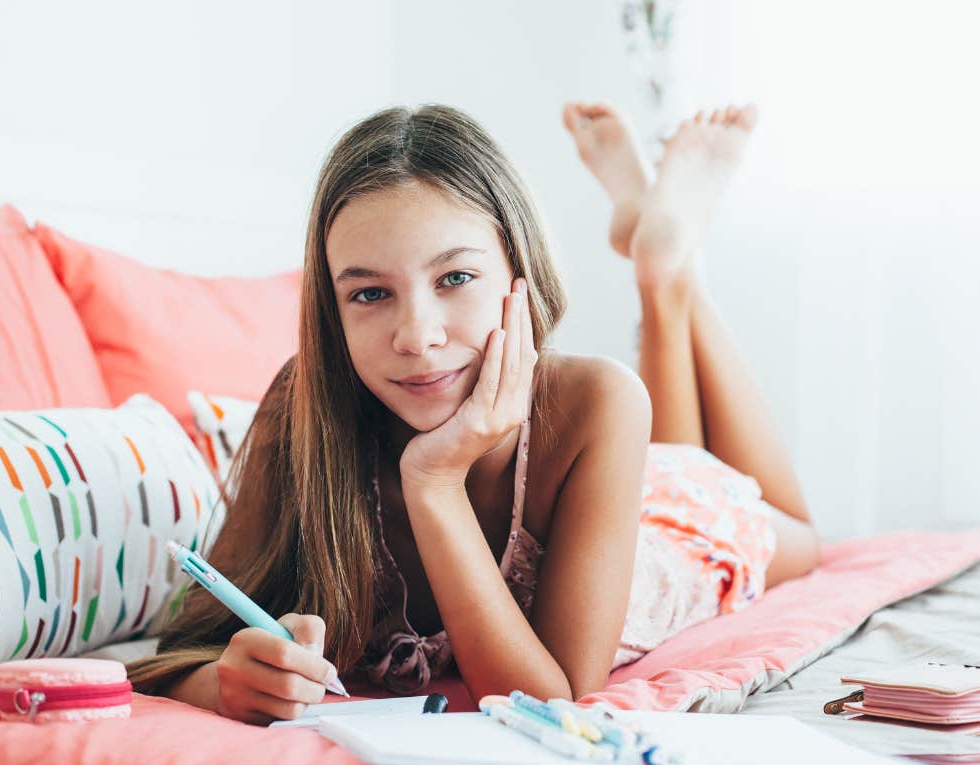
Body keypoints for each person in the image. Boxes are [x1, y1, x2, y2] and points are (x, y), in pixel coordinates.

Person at [126, 102, 819, 725]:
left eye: (454, 278)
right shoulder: (302, 409)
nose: (417, 336)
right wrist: (220, 680)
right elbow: (185, 644)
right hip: (619, 484)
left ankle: (667, 272)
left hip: (670, 531)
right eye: (370, 294)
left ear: (520, 270)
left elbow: (548, 698)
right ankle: (656, 254)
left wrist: (433, 482)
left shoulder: (600, 400)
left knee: (788, 530)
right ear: (329, 311)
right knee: (671, 450)